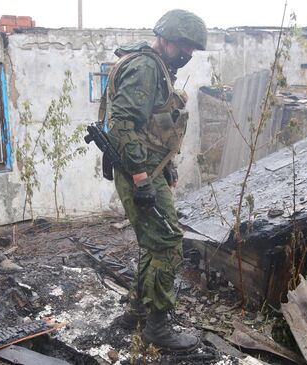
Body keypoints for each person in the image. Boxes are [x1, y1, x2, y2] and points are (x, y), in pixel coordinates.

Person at [102, 9, 207, 353]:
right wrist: (141, 178)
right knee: (168, 243)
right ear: (164, 38)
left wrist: (167, 165)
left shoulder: (158, 67)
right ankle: (157, 326)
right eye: (183, 45)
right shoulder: (146, 67)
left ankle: (136, 311)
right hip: (139, 171)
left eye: (192, 48)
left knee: (155, 241)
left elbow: (156, 124)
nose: (188, 53)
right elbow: (121, 124)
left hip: (149, 167)